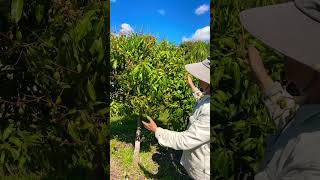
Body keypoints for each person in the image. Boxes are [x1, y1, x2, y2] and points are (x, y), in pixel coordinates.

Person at [240, 0, 320, 179]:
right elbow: (292, 120)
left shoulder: (311, 165)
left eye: (294, 47)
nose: (285, 54)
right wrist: (262, 77)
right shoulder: (313, 111)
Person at [142, 58, 210, 180]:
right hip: (198, 166)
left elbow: (186, 140)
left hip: (204, 172)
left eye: (202, 77)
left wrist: (157, 130)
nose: (199, 79)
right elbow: (202, 99)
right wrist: (192, 87)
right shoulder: (208, 97)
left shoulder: (209, 110)